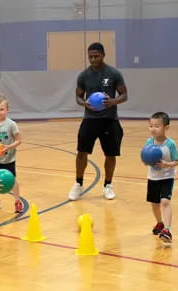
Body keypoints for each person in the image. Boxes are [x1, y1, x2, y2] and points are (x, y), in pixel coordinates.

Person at [68, 42, 128, 201]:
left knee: (110, 154)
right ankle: (78, 184)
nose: (93, 59)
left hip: (109, 120)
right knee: (81, 152)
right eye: (90, 57)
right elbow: (78, 96)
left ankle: (108, 185)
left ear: (103, 55)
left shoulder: (114, 73)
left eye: (96, 56)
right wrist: (84, 103)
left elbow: (124, 95)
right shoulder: (83, 76)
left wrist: (113, 101)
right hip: (90, 120)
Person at [144, 112, 178, 247]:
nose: (153, 128)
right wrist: (147, 161)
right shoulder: (149, 142)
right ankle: (160, 222)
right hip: (153, 178)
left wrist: (166, 165)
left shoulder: (170, 144)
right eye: (151, 126)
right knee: (154, 203)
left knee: (165, 201)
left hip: (167, 177)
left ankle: (168, 230)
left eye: (157, 126)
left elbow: (176, 161)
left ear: (166, 127)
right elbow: (146, 157)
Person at [0, 95, 23, 213]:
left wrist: (8, 147)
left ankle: (17, 201)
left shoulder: (11, 124)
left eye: (2, 109)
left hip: (8, 159)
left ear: (7, 110)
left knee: (13, 180)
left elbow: (18, 140)